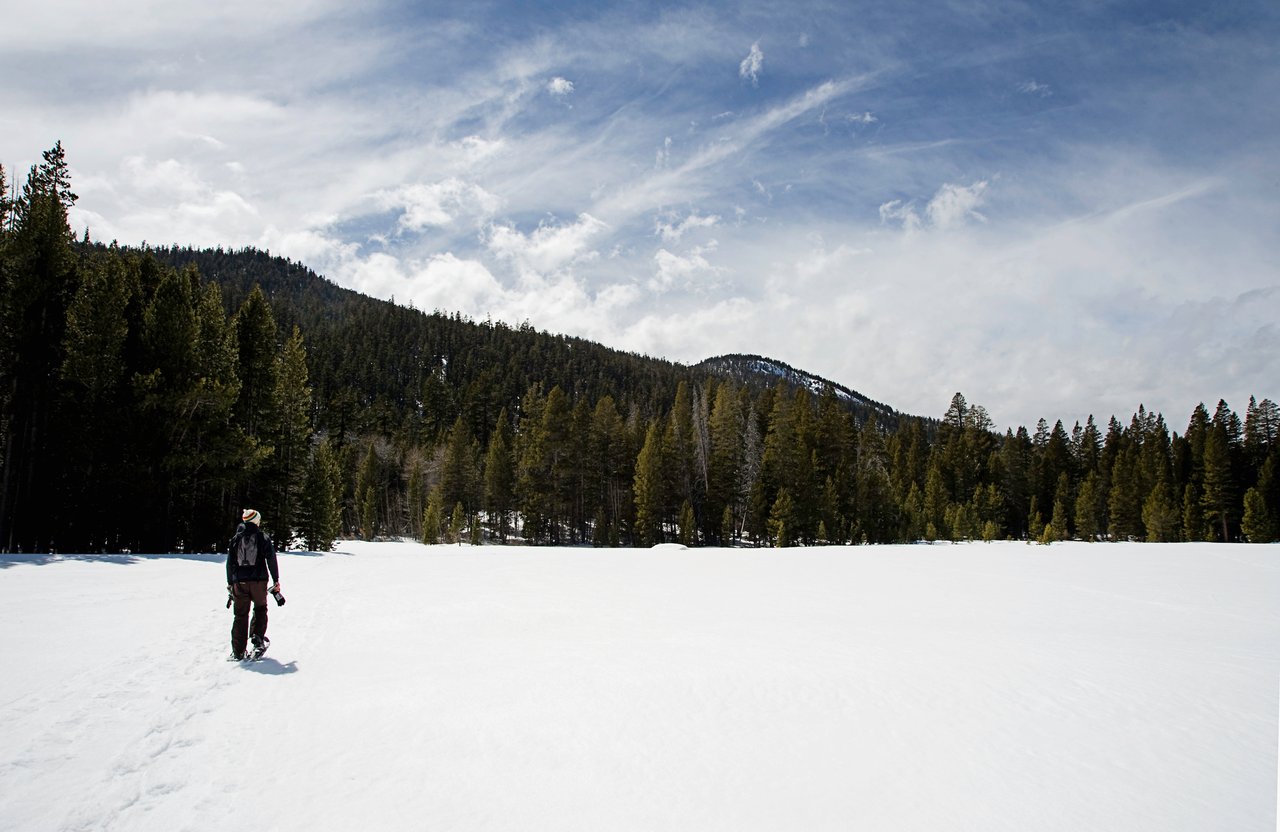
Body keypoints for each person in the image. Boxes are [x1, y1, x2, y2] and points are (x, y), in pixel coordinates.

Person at [226, 508, 281, 660]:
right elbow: (271, 559)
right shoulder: (263, 537)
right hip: (259, 581)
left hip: (239, 582)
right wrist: (276, 579)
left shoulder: (236, 539)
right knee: (260, 609)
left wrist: (230, 582)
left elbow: (229, 563)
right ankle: (257, 641)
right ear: (256, 521)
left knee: (240, 615)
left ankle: (237, 651)